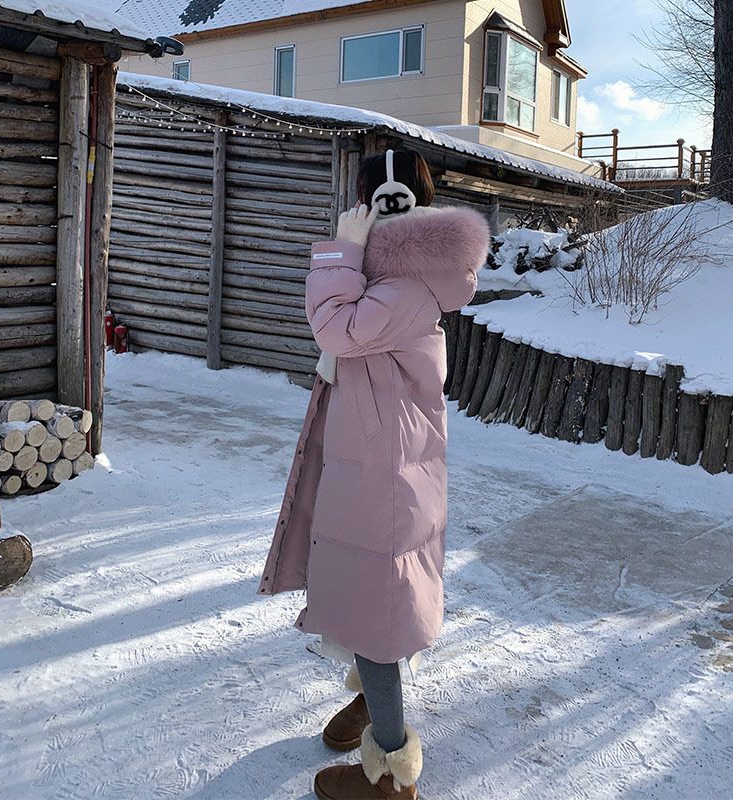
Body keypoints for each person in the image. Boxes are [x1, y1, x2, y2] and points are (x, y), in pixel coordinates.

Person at [259, 148, 490, 799]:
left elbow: (333, 329)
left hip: (383, 479)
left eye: (364, 203)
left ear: (377, 203)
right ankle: (371, 705)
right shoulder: (402, 277)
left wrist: (341, 248)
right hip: (378, 467)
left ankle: (390, 771)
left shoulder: (399, 289)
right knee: (369, 604)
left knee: (375, 615)